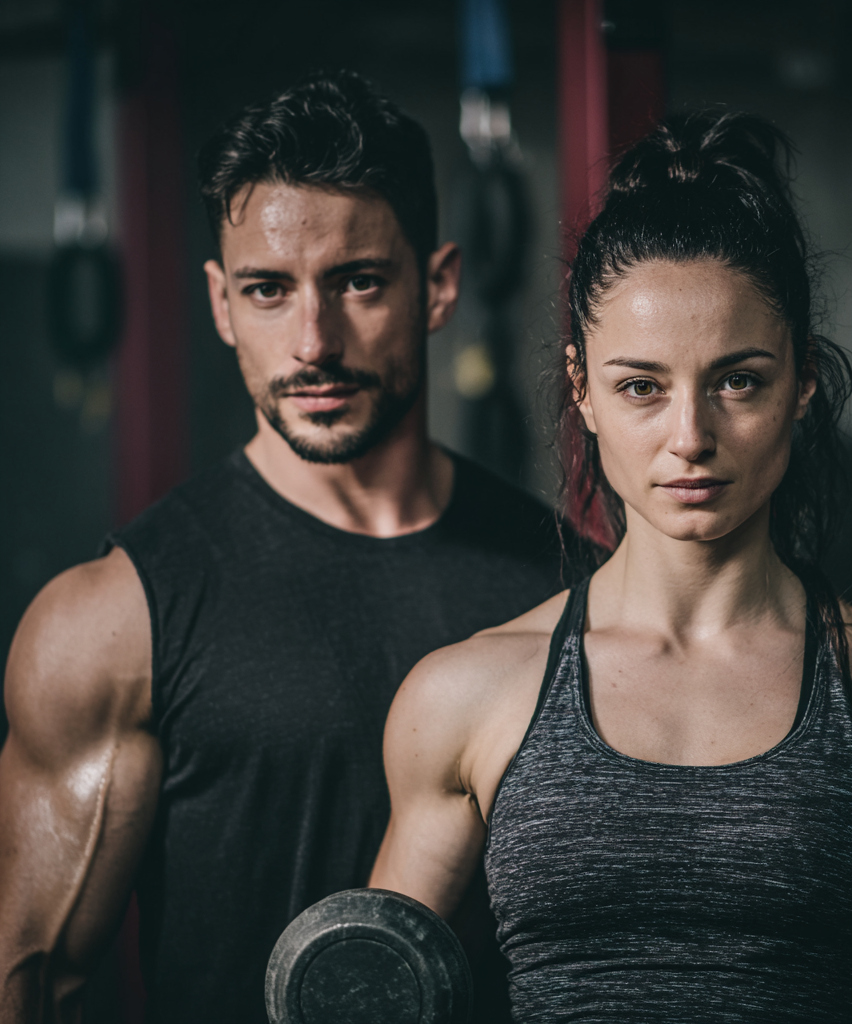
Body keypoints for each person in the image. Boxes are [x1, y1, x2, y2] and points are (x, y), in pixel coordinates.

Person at [369, 111, 852, 1022]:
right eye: (642, 387)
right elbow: (366, 989)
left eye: (738, 381)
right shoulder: (467, 697)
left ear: (802, 385)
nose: (690, 439)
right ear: (582, 391)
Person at [0, 71, 569, 1024]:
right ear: (223, 304)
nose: (313, 340)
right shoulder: (114, 619)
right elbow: (31, 983)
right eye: (269, 290)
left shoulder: (569, 582)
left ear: (437, 285)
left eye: (358, 281)